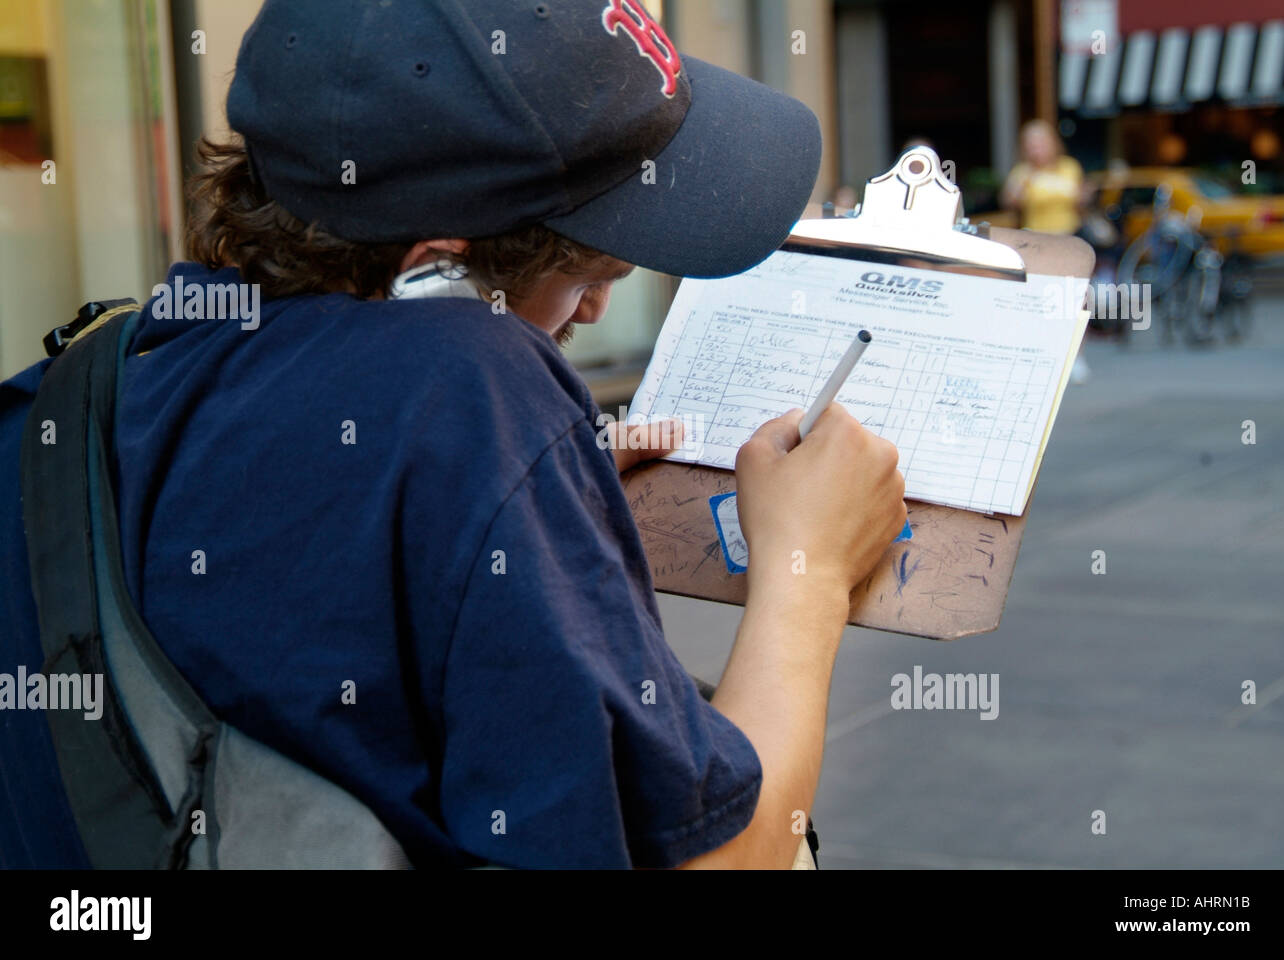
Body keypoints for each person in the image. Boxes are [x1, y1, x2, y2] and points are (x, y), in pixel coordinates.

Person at [0, 0, 906, 869]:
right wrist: (810, 570)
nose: (596, 307)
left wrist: (507, 500)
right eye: (591, 270)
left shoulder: (101, 378)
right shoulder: (468, 382)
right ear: (438, 275)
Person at [1001, 119, 1093, 384]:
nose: (1036, 149)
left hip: (1067, 240)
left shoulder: (1069, 168)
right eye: (1031, 144)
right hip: (1036, 245)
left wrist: (1085, 196)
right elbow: (1009, 201)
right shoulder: (1023, 172)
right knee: (1036, 303)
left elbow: (1080, 202)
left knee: (1075, 300)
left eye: (1040, 142)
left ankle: (1077, 355)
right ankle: (1040, 355)